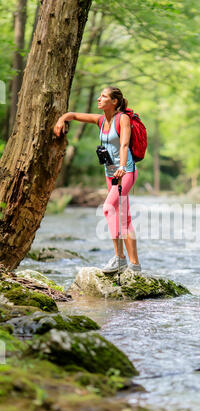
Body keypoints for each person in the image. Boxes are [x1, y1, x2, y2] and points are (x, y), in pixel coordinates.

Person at [53, 86, 141, 273]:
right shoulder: (101, 120)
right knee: (124, 217)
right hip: (110, 175)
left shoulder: (122, 119)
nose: (99, 99)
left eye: (103, 96)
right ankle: (134, 265)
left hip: (125, 173)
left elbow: (124, 144)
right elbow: (73, 115)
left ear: (114, 102)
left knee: (109, 209)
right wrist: (61, 119)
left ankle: (119, 258)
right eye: (99, 96)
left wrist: (122, 167)